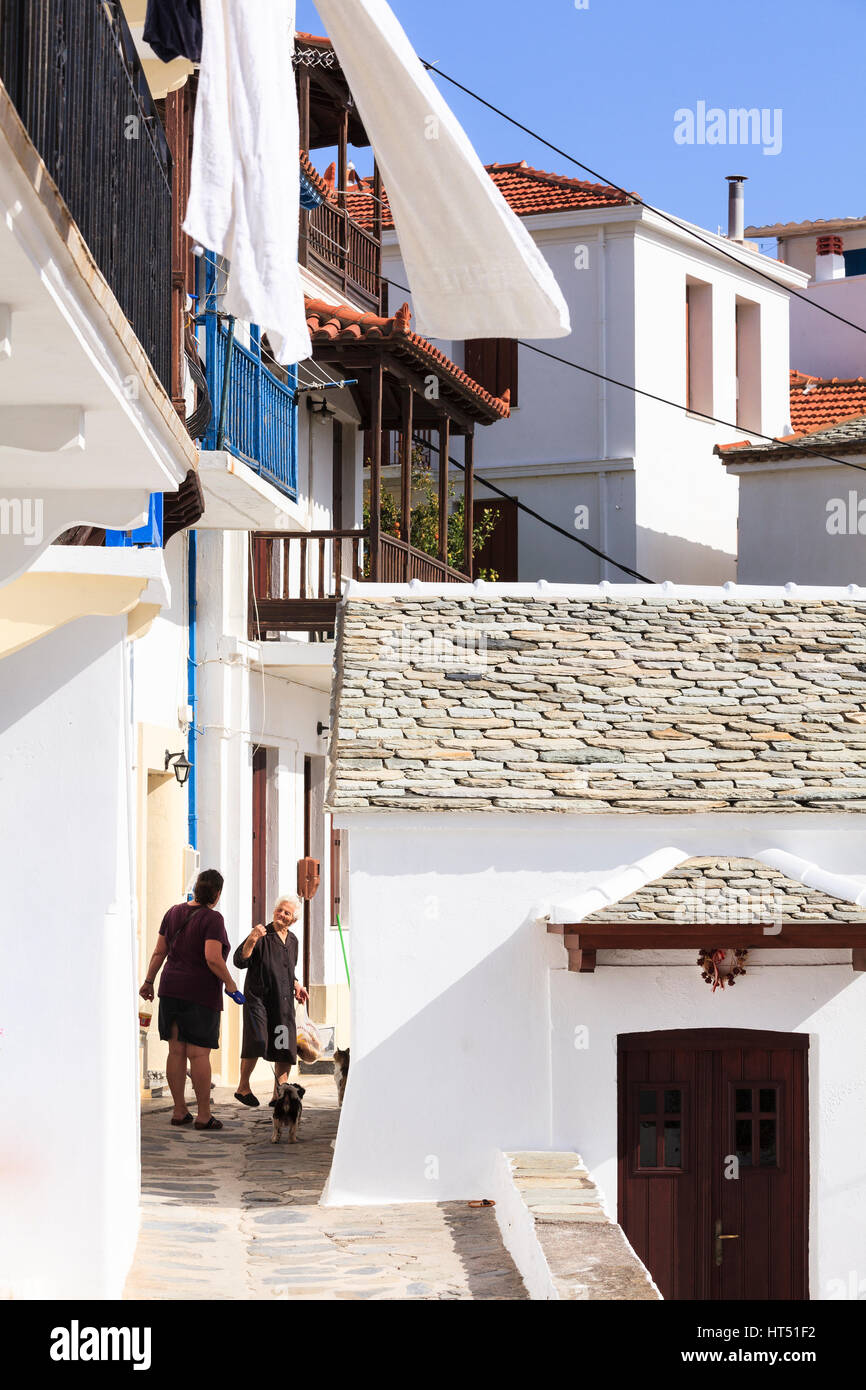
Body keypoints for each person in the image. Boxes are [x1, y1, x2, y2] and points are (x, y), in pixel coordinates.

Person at [139, 869, 239, 1132]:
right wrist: (230, 983)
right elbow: (212, 957)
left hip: (170, 988)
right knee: (198, 1054)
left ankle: (179, 1109)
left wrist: (149, 981)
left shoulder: (173, 912)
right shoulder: (213, 919)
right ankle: (204, 1114)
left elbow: (160, 950)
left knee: (176, 1052)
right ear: (216, 894)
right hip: (199, 993)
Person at [233, 894, 309, 1107]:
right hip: (258, 1000)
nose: (282, 915)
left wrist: (297, 985)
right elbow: (240, 960)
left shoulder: (293, 940)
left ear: (293, 920)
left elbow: (288, 969)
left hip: (283, 1002)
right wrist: (252, 939)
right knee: (257, 1041)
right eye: (280, 910)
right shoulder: (261, 935)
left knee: (284, 1046)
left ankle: (279, 1092)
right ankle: (243, 1087)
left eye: (287, 913)